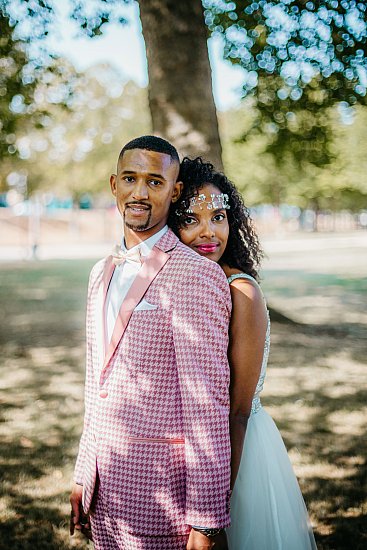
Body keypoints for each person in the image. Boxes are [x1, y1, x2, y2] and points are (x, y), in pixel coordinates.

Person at [69, 136, 232, 550]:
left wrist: (207, 520)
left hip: (163, 498)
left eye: (155, 182)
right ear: (113, 185)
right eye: (130, 178)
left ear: (174, 191)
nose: (139, 193)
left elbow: (207, 402)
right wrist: (83, 472)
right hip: (104, 491)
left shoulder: (196, 275)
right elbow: (96, 384)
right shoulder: (98, 272)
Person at [169, 157, 318, 550]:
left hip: (235, 453)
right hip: (192, 449)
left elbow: (237, 411)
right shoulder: (188, 284)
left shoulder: (241, 291)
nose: (208, 232)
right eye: (191, 220)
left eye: (218, 217)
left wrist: (213, 514)